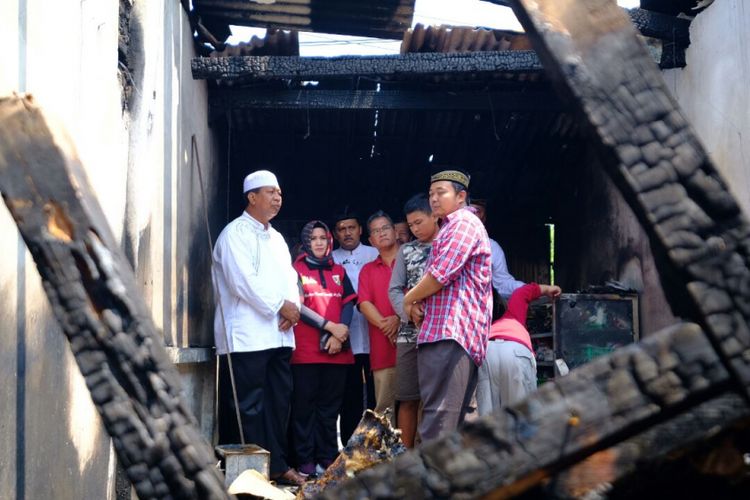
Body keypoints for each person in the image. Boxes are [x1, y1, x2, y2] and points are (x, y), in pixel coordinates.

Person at [213, 170, 306, 486]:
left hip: (279, 334)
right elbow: (242, 282)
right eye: (270, 192)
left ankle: (277, 466)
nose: (278, 197)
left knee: (278, 404)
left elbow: (290, 279)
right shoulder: (233, 233)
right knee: (247, 407)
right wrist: (280, 305)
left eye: (279, 192)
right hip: (246, 336)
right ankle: (249, 474)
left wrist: (292, 309)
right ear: (252, 197)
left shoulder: (277, 238)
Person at [403, 166, 492, 441]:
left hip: (449, 334)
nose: (433, 199)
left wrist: (409, 299)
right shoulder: (450, 227)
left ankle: (433, 484)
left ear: (461, 196)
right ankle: (462, 483)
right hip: (452, 334)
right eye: (431, 193)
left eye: (440, 192)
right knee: (459, 423)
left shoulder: (463, 224)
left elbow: (440, 276)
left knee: (439, 424)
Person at [290, 220, 356, 477]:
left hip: (337, 351)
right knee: (304, 408)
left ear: (330, 241)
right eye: (314, 238)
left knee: (330, 410)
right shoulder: (295, 270)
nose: (319, 242)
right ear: (307, 242)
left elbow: (349, 303)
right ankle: (305, 460)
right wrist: (330, 326)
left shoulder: (339, 270)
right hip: (305, 353)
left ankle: (327, 458)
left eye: (323, 238)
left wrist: (340, 333)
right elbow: (298, 306)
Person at [388, 194, 439, 448]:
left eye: (419, 222)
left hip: (441, 334)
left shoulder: (449, 245)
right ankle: (404, 455)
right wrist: (408, 312)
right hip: (409, 335)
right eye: (411, 225)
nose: (415, 229)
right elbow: (394, 290)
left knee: (436, 400)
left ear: (435, 215)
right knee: (407, 397)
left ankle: (429, 454)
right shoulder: (406, 251)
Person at [476, 284, 561, 415]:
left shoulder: (481, 319)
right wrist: (549, 289)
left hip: (487, 352)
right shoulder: (512, 311)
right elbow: (523, 292)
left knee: (488, 421)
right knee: (522, 416)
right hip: (515, 350)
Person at [331, 211, 379, 445]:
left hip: (376, 335)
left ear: (360, 230)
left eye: (351, 227)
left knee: (375, 393)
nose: (347, 232)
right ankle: (350, 445)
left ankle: (375, 445)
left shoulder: (375, 253)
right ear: (335, 234)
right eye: (342, 228)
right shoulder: (331, 258)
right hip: (345, 338)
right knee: (348, 395)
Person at [358, 210, 400, 418]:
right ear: (370, 240)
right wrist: (389, 328)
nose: (382, 233)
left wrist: (400, 319)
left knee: (420, 406)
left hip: (415, 348)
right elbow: (364, 304)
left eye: (385, 228)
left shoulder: (412, 260)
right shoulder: (367, 269)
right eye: (376, 231)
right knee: (384, 410)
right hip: (383, 350)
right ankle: (390, 453)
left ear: (395, 231)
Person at [470, 199, 525, 298]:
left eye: (477, 211)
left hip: (475, 310)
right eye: (468, 210)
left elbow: (502, 283)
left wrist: (528, 289)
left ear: (484, 219)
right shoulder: (444, 241)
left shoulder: (491, 247)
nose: (471, 214)